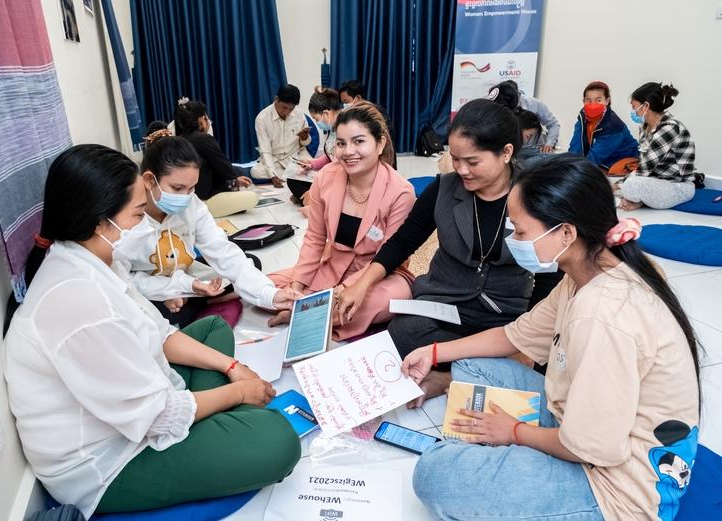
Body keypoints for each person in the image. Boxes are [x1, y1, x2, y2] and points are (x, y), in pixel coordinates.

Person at [3, 144, 300, 518]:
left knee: (214, 330)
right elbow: (157, 416)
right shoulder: (82, 302)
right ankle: (216, 418)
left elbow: (158, 332)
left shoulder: (93, 258)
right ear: (100, 221)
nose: (146, 224)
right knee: (278, 441)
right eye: (138, 213)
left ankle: (213, 416)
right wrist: (239, 391)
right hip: (109, 460)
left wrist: (231, 367)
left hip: (134, 404)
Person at [405, 155, 700, 521]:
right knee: (472, 366)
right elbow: (514, 335)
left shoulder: (602, 313)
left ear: (565, 233)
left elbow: (595, 447)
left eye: (520, 231)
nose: (514, 240)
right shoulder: (587, 270)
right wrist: (433, 352)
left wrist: (514, 432)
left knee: (435, 474)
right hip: (582, 421)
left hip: (613, 486)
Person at [336, 99, 558, 403]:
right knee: (404, 331)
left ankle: (448, 376)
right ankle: (485, 369)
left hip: (505, 314)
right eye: (455, 159)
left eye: (473, 161)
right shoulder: (444, 189)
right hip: (445, 302)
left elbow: (549, 275)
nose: (462, 170)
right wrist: (361, 284)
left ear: (506, 152)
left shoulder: (534, 197)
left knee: (547, 359)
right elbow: (402, 242)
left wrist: (527, 335)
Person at [114, 135, 302, 328]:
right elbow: (123, 280)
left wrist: (270, 294)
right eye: (177, 188)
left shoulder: (191, 204)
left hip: (184, 277)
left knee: (249, 263)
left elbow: (221, 250)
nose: (185, 197)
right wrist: (175, 288)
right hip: (149, 286)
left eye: (191, 188)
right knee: (149, 310)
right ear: (149, 180)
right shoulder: (126, 218)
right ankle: (198, 300)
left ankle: (195, 300)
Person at [268, 102, 415, 340]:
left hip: (378, 275)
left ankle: (302, 315)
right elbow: (315, 238)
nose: (348, 151)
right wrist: (296, 287)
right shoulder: (325, 177)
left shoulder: (401, 192)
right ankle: (308, 310)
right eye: (341, 143)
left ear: (380, 144)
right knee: (270, 286)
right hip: (332, 263)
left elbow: (390, 255)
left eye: (359, 141)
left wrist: (347, 289)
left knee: (391, 299)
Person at [617, 83, 700, 211]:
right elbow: (645, 165)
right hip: (656, 180)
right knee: (627, 185)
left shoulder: (669, 128)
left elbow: (644, 169)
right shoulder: (644, 127)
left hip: (678, 186)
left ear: (646, 106)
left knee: (630, 185)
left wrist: (613, 187)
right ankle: (640, 201)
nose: (633, 111)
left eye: (634, 107)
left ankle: (638, 200)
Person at [173, 99, 258, 217]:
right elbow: (226, 170)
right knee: (252, 197)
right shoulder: (203, 139)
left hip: (189, 197)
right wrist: (234, 179)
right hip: (205, 198)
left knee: (238, 172)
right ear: (201, 119)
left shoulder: (178, 140)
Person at [286, 87, 344, 205]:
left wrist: (319, 180)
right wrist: (312, 164)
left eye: (316, 119)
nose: (317, 123)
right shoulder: (333, 130)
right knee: (293, 179)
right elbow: (330, 156)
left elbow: (340, 166)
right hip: (332, 177)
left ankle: (312, 200)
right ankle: (311, 198)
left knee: (309, 184)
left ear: (326, 113)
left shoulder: (345, 130)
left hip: (343, 181)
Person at [568, 81, 639, 173]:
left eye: (598, 100)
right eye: (589, 101)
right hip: (602, 160)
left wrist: (575, 171)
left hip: (623, 161)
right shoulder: (582, 117)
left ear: (607, 101)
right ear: (583, 101)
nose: (593, 104)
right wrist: (569, 164)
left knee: (588, 174)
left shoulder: (614, 126)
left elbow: (595, 157)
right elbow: (575, 146)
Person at [250, 84, 311, 187]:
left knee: (314, 166)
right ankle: (294, 175)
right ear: (276, 99)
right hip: (275, 159)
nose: (287, 112)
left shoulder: (299, 115)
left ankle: (290, 175)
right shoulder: (262, 118)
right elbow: (265, 150)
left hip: (296, 156)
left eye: (291, 109)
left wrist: (305, 138)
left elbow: (305, 143)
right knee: (255, 172)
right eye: (284, 107)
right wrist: (273, 175)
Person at [489, 80, 560, 152]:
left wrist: (549, 144)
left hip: (534, 149)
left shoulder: (533, 104)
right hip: (509, 151)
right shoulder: (497, 107)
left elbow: (553, 124)